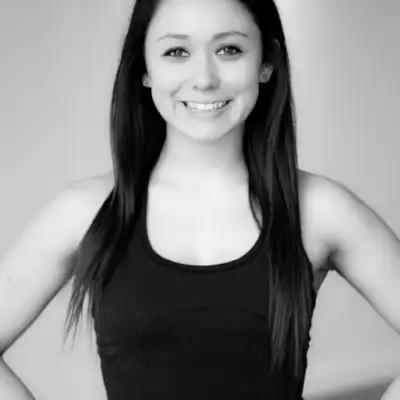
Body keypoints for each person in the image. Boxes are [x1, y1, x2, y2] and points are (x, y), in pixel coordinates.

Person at [0, 0, 399, 399]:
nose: (204, 78)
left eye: (230, 49)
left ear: (266, 64)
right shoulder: (84, 212)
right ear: (144, 69)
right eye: (176, 51)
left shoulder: (319, 209)